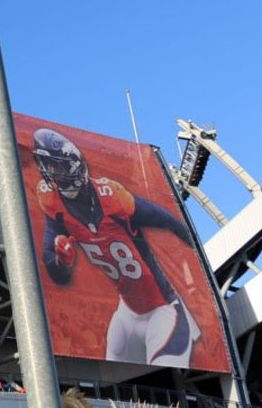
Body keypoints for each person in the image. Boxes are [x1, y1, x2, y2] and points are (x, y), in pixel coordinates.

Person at [32, 129, 201, 366]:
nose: (50, 173)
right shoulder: (52, 202)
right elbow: (54, 270)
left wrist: (197, 256)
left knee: (166, 371)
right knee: (114, 391)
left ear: (73, 165)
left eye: (56, 167)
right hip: (127, 312)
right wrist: (62, 262)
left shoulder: (111, 196)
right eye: (47, 166)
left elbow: (166, 219)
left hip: (164, 308)